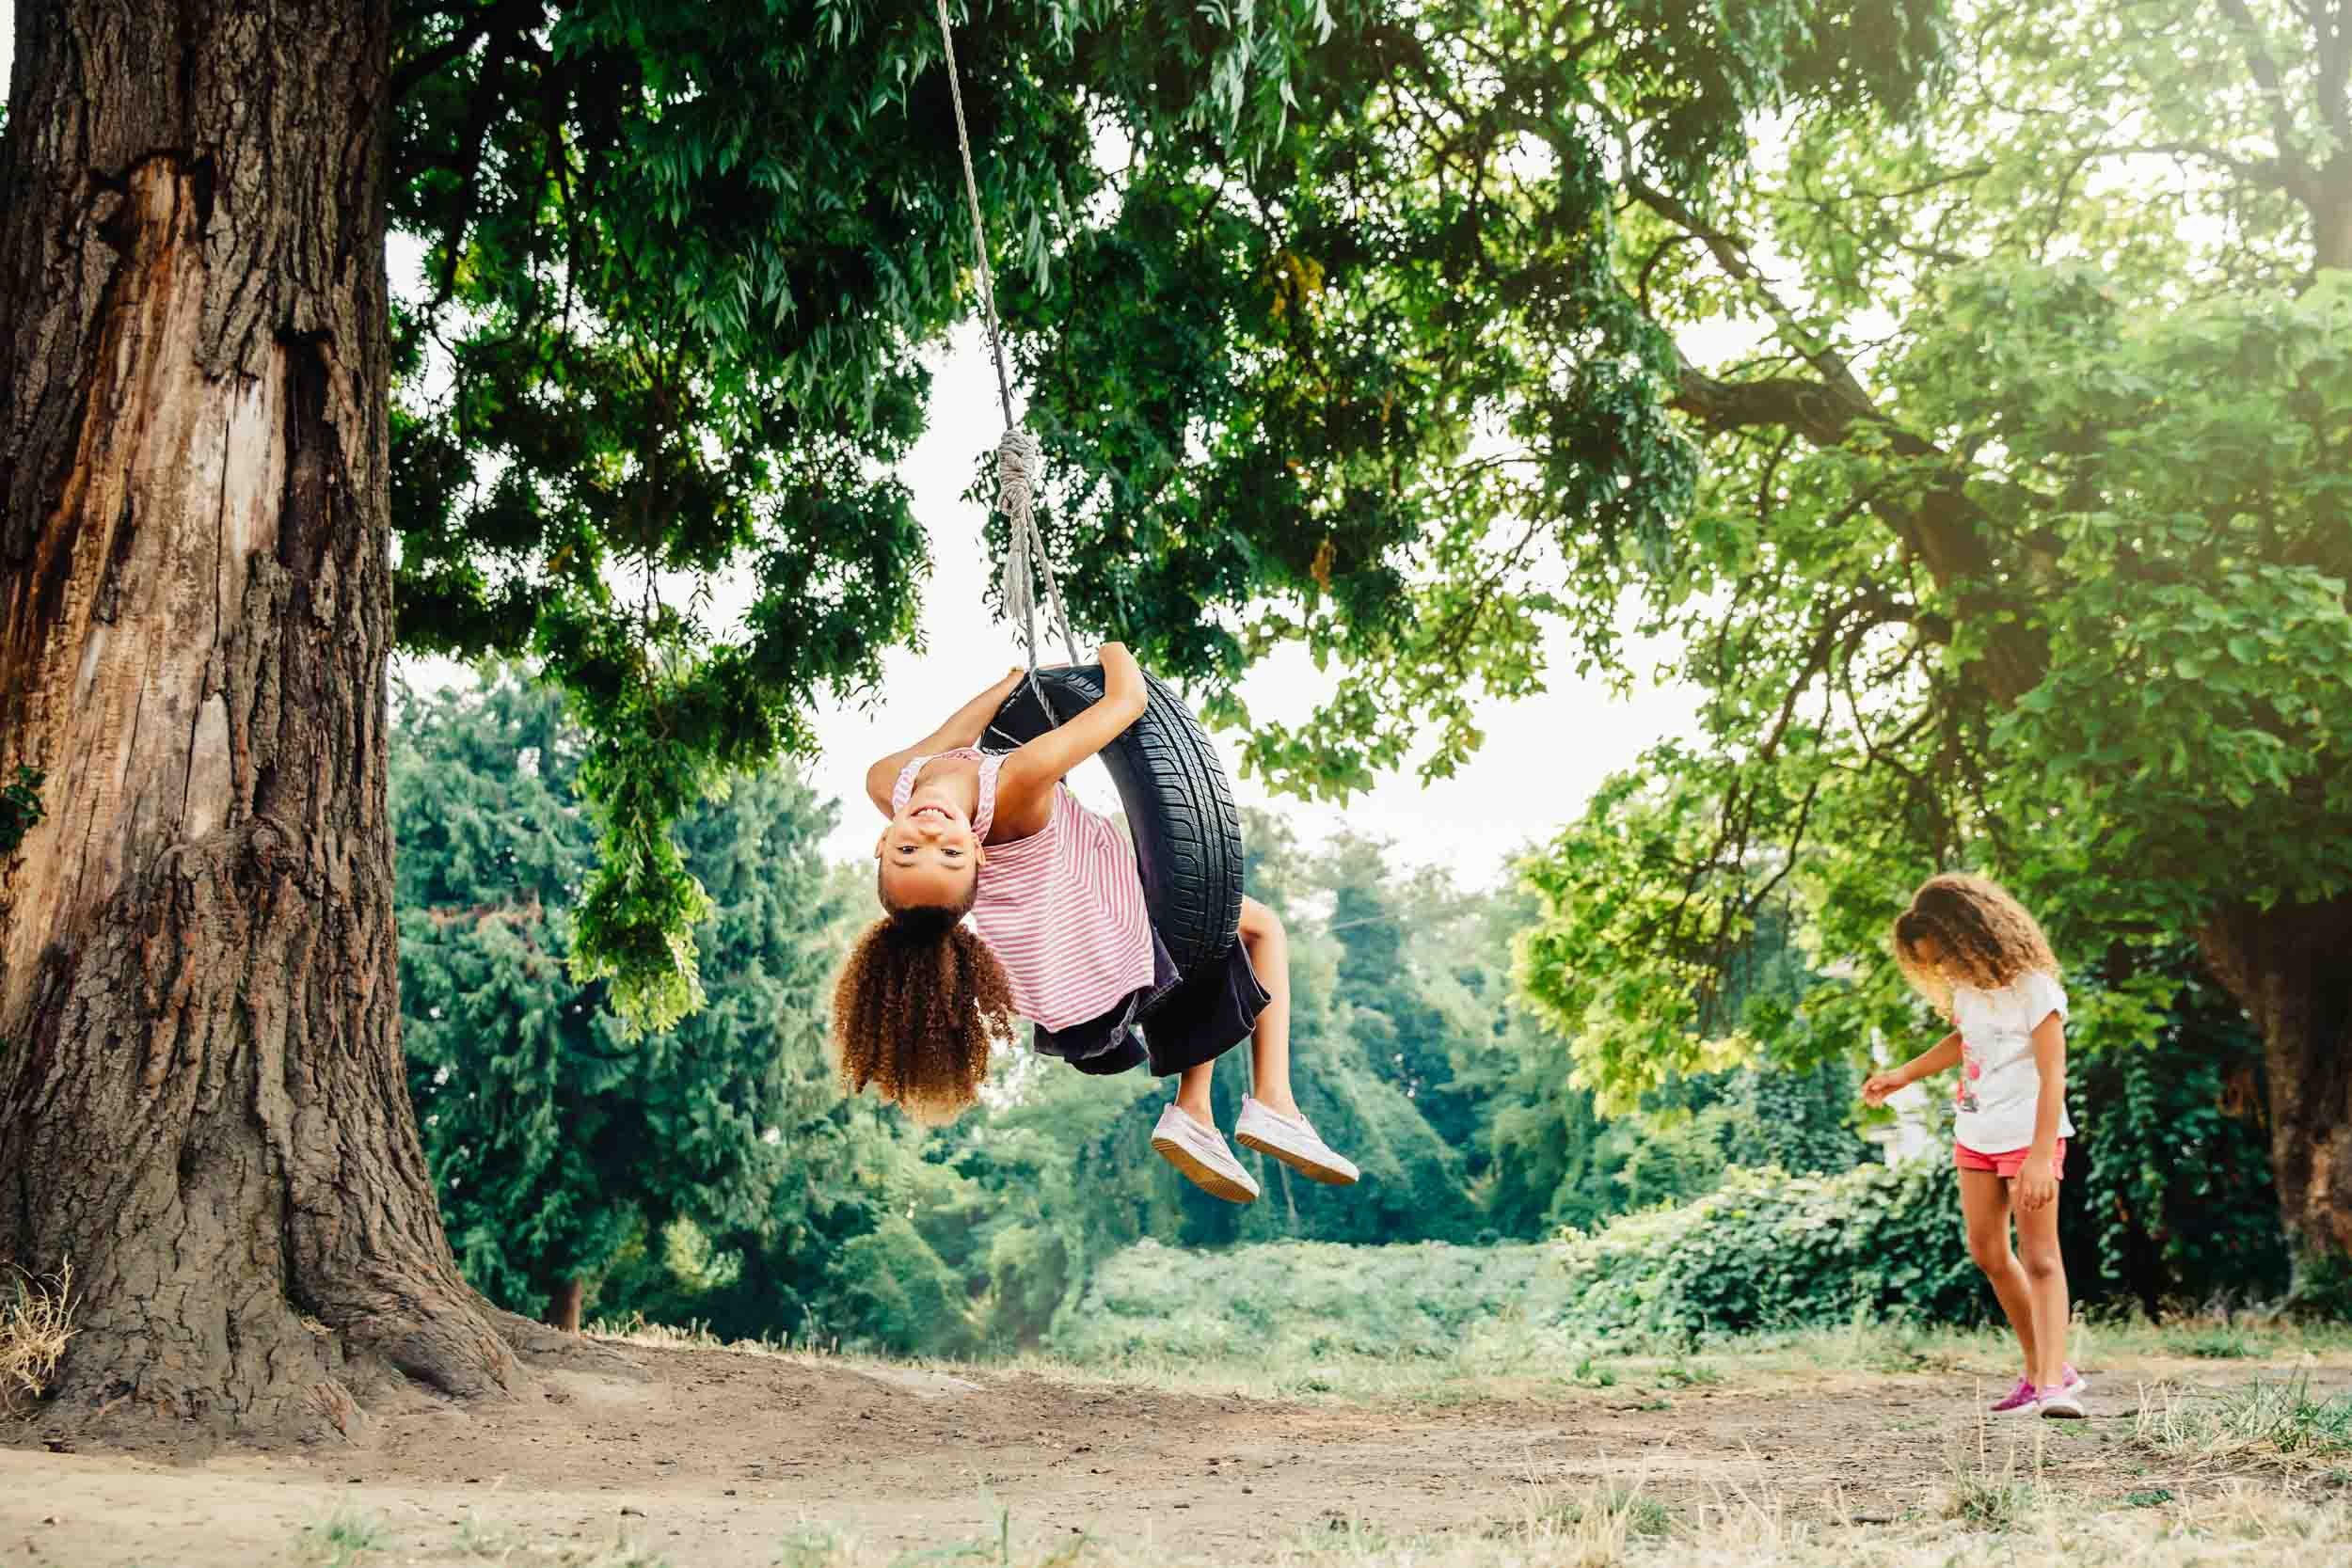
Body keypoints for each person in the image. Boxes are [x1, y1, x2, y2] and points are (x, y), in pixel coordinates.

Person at [830, 643, 1359, 1204]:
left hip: (1073, 935)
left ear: (883, 840)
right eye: (951, 855)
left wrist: (1015, 681)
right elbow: (1127, 701)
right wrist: (1110, 649)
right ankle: (1270, 1101)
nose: (932, 835)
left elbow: (955, 737)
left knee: (1217, 928)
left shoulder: (887, 781)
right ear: (978, 854)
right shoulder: (1015, 783)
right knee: (1249, 928)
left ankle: (1197, 1112)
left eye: (911, 850)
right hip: (1095, 929)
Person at [1864, 873, 2086, 1418]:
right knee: (1988, 1252)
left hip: (2030, 1136)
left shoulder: (2035, 989)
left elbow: (2053, 1073)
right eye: (1930, 961)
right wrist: (1903, 1075)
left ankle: (2056, 1384)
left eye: (1942, 955)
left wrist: (2038, 1157)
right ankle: (2040, 1371)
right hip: (1977, 1134)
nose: (1939, 969)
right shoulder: (1968, 991)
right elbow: (1964, 1041)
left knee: (2040, 1256)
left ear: (1970, 935)